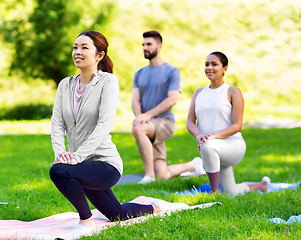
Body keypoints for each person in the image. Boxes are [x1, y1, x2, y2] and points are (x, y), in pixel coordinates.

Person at [49, 31, 166, 235]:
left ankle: (86, 222)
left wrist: (75, 157)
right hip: (80, 165)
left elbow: (104, 124)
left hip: (105, 165)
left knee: (59, 172)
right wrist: (61, 154)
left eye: (85, 47)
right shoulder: (65, 85)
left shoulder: (108, 82)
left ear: (99, 55)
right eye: (75, 47)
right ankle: (151, 207)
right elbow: (57, 124)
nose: (77, 51)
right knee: (117, 215)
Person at [186, 51, 270, 196]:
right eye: (206, 64)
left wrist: (211, 137)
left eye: (214, 64)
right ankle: (260, 186)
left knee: (207, 145)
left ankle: (214, 193)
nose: (209, 68)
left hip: (232, 146)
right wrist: (199, 134)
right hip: (211, 149)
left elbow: (237, 125)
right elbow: (189, 122)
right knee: (231, 193)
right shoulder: (198, 93)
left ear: (225, 68)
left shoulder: (232, 91)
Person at [132, 30, 205, 184]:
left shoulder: (172, 71)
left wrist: (147, 116)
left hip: (165, 122)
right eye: (143, 44)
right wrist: (140, 117)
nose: (145, 47)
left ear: (159, 46)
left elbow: (172, 99)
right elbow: (135, 100)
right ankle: (194, 165)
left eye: (149, 44)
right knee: (163, 174)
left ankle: (149, 176)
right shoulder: (139, 74)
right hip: (148, 123)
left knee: (138, 129)